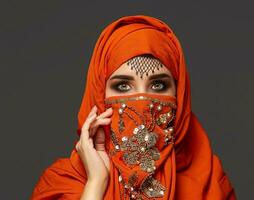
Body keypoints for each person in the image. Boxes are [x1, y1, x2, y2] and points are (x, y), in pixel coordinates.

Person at [30, 15, 237, 200]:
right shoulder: (61, 183)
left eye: (158, 85)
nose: (141, 100)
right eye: (122, 86)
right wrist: (96, 183)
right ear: (99, 95)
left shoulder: (210, 183)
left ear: (179, 94)